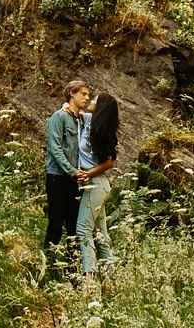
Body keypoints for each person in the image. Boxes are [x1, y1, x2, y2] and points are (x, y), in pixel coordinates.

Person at [75, 93, 119, 278]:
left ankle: (89, 277)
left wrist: (87, 174)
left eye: (94, 100)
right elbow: (73, 110)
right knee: (101, 234)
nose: (90, 100)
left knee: (83, 229)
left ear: (100, 107)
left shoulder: (103, 132)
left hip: (97, 184)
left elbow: (109, 163)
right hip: (94, 185)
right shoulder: (89, 120)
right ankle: (110, 279)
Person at [44, 79, 89, 252]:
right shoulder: (59, 116)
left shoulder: (81, 121)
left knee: (74, 228)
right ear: (72, 93)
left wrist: (82, 174)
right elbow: (54, 149)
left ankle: (73, 274)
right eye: (83, 94)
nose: (86, 98)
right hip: (58, 177)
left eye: (88, 95)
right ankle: (47, 266)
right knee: (56, 224)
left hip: (76, 180)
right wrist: (73, 172)